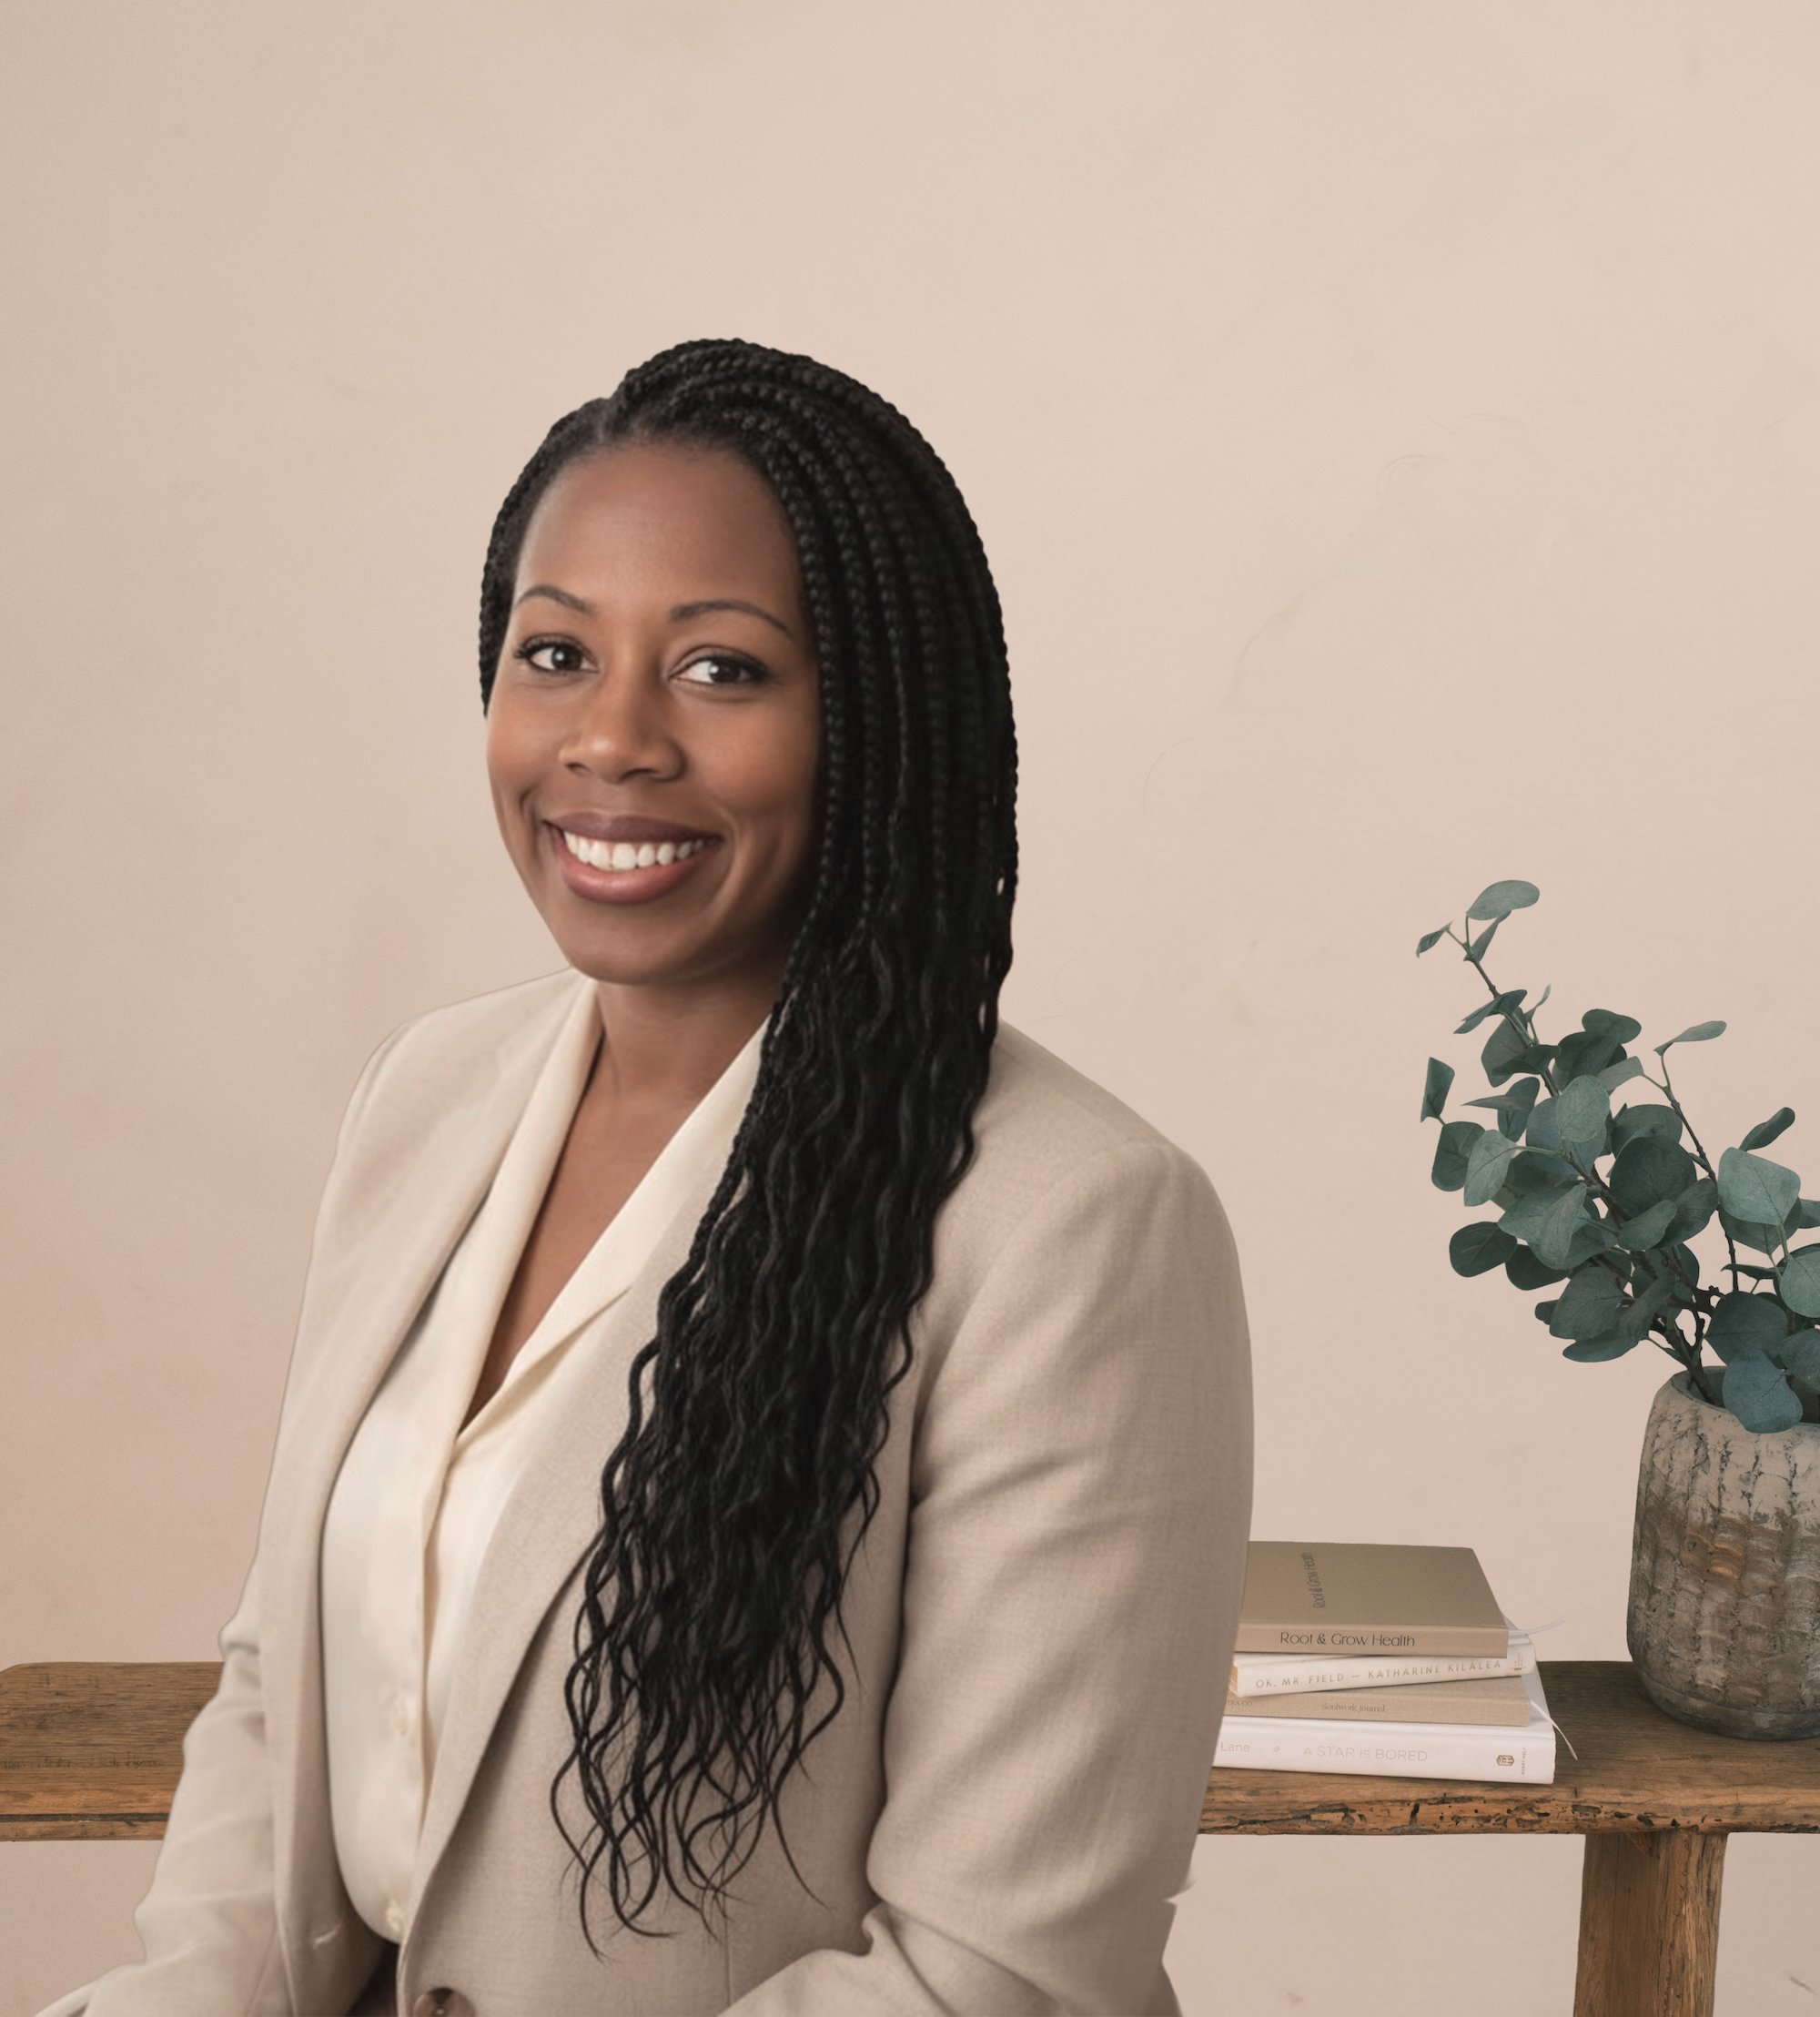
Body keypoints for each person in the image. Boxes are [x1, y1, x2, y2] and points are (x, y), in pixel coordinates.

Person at [42, 338, 1253, 2017]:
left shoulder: (1076, 1225)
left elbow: (999, 1974)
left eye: (721, 670)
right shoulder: (426, 1096)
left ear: (877, 727)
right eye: (555, 654)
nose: (610, 740)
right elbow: (284, 1683)